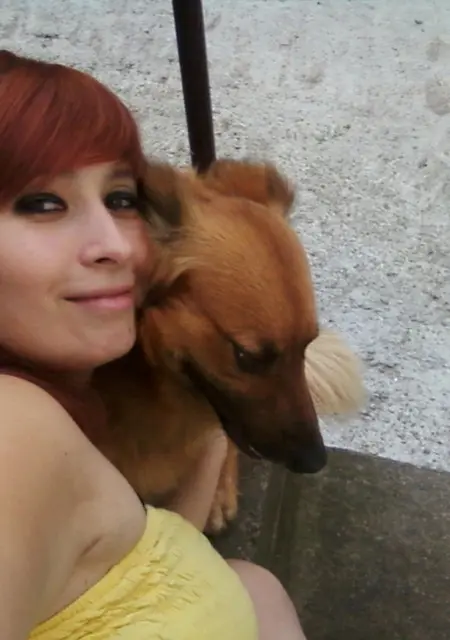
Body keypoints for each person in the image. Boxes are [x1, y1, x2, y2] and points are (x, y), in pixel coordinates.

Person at [0, 49, 308, 640]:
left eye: (121, 199)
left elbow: (154, 565)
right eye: (42, 204)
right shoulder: (13, 433)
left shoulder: (70, 399)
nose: (118, 245)